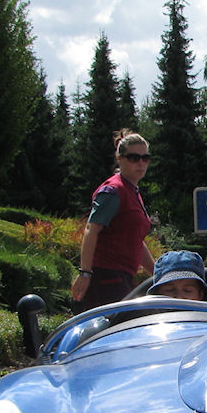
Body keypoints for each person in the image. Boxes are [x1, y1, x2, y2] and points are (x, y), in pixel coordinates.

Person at [70, 129, 155, 311]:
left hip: (122, 275)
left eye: (145, 158)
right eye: (133, 158)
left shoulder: (132, 191)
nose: (140, 163)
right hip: (106, 276)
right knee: (124, 322)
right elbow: (91, 229)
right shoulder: (113, 191)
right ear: (119, 158)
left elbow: (135, 241)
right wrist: (85, 273)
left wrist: (157, 274)